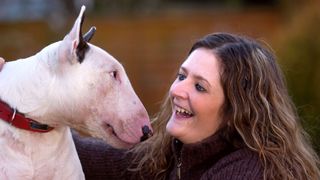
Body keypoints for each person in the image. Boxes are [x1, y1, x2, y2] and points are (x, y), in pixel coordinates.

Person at [1, 32, 319, 180]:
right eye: (182, 75)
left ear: (237, 109)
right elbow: (95, 158)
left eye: (199, 86)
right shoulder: (172, 156)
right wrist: (16, 102)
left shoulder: (249, 173)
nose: (177, 90)